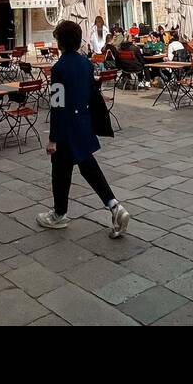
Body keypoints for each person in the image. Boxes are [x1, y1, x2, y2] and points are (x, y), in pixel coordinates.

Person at [37, 20, 130, 238]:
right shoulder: (86, 64)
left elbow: (57, 105)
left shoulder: (59, 69)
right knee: (88, 168)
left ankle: (59, 215)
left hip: (66, 129)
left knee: (60, 173)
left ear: (60, 42)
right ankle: (115, 207)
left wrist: (53, 138)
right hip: (83, 124)